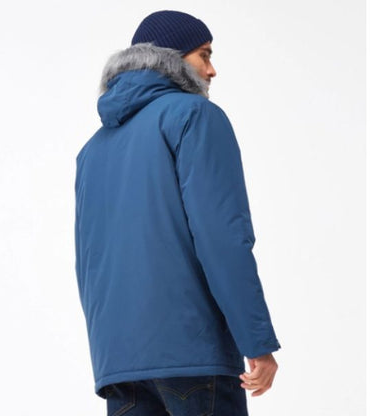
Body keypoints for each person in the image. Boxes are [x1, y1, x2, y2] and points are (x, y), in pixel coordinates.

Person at [74, 9, 282, 415]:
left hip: (118, 364)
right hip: (193, 353)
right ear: (172, 58)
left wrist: (109, 356)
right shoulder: (194, 116)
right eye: (204, 54)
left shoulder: (92, 149)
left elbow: (90, 261)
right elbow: (222, 238)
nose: (212, 69)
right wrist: (256, 340)